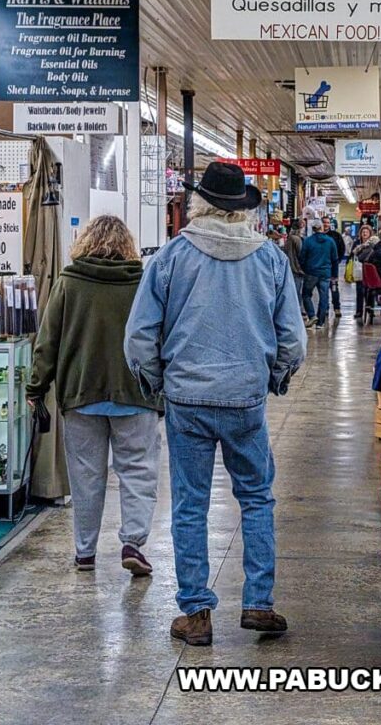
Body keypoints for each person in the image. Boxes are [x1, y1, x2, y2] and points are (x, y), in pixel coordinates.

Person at [124, 162, 307, 646]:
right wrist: (272, 378)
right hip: (245, 400)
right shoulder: (270, 258)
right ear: (242, 211)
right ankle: (258, 603)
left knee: (189, 505)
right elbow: (294, 341)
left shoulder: (170, 258)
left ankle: (197, 613)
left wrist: (158, 385)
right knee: (256, 498)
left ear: (198, 204)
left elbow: (139, 338)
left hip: (187, 400)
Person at [28, 215, 161, 576]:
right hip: (136, 392)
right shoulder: (142, 283)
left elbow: (47, 341)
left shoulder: (69, 283)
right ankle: (132, 542)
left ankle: (85, 552)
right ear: (128, 245)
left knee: (86, 476)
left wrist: (36, 387)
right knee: (138, 471)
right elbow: (158, 337)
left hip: (82, 395)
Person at [300, 218, 339, 329]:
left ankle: (312, 315)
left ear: (312, 229)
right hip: (326, 273)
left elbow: (302, 257)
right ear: (321, 228)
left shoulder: (308, 241)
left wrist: (304, 269)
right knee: (324, 297)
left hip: (311, 272)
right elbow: (335, 259)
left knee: (306, 295)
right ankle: (320, 323)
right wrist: (334, 275)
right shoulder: (330, 241)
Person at [352, 226, 378, 322]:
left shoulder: (373, 244)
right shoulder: (357, 243)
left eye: (366, 232)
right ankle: (359, 311)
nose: (364, 234)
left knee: (370, 291)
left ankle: (370, 309)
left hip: (370, 271)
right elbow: (353, 254)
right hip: (359, 270)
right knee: (359, 291)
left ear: (370, 233)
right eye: (363, 232)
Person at [321, 215, 345, 318]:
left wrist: (337, 261)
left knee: (334, 287)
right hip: (321, 267)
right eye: (324, 222)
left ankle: (337, 308)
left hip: (333, 267)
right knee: (323, 289)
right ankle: (325, 308)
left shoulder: (336, 236)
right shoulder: (317, 236)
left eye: (327, 222)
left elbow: (342, 248)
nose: (325, 225)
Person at [285, 219, 305, 304]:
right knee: (296, 292)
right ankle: (297, 311)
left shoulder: (289, 238)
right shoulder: (297, 239)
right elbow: (301, 254)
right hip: (296, 269)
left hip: (290, 267)